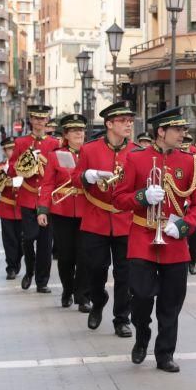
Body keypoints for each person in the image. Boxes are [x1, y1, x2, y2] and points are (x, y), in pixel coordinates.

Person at [113, 107, 196, 372]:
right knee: (141, 296)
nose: (183, 134)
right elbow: (119, 199)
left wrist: (186, 226)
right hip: (143, 237)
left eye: (183, 130)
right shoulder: (136, 159)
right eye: (177, 129)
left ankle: (165, 353)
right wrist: (142, 197)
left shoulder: (190, 161)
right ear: (161, 131)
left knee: (171, 301)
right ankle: (142, 335)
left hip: (175, 240)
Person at [74, 103, 135, 336]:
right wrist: (85, 176)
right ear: (109, 124)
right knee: (96, 268)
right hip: (96, 218)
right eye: (122, 120)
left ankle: (122, 318)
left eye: (130, 120)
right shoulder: (89, 150)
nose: (128, 123)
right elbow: (73, 178)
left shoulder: (136, 151)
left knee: (125, 273)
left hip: (125, 220)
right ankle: (98, 301)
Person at [38, 114, 88, 309]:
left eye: (81, 130)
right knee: (66, 256)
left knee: (85, 255)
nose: (79, 133)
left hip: (86, 210)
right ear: (66, 134)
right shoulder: (55, 155)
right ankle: (68, 289)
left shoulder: (90, 153)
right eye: (74, 130)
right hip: (62, 211)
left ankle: (82, 296)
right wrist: (43, 209)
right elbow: (48, 183)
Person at [8, 105, 60, 292]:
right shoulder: (21, 142)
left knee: (45, 244)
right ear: (31, 120)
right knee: (29, 238)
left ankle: (42, 281)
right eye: (36, 118)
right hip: (28, 195)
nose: (39, 122)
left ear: (47, 121)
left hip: (46, 199)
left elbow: (59, 169)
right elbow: (12, 168)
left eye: (42, 118)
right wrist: (24, 164)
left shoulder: (54, 143)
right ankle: (29, 271)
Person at [0, 138, 23, 280]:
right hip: (7, 206)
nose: (12, 151)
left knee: (23, 240)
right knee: (9, 239)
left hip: (23, 208)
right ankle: (11, 267)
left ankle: (17, 262)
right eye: (9, 149)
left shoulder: (24, 164)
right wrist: (5, 175)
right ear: (5, 151)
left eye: (14, 148)